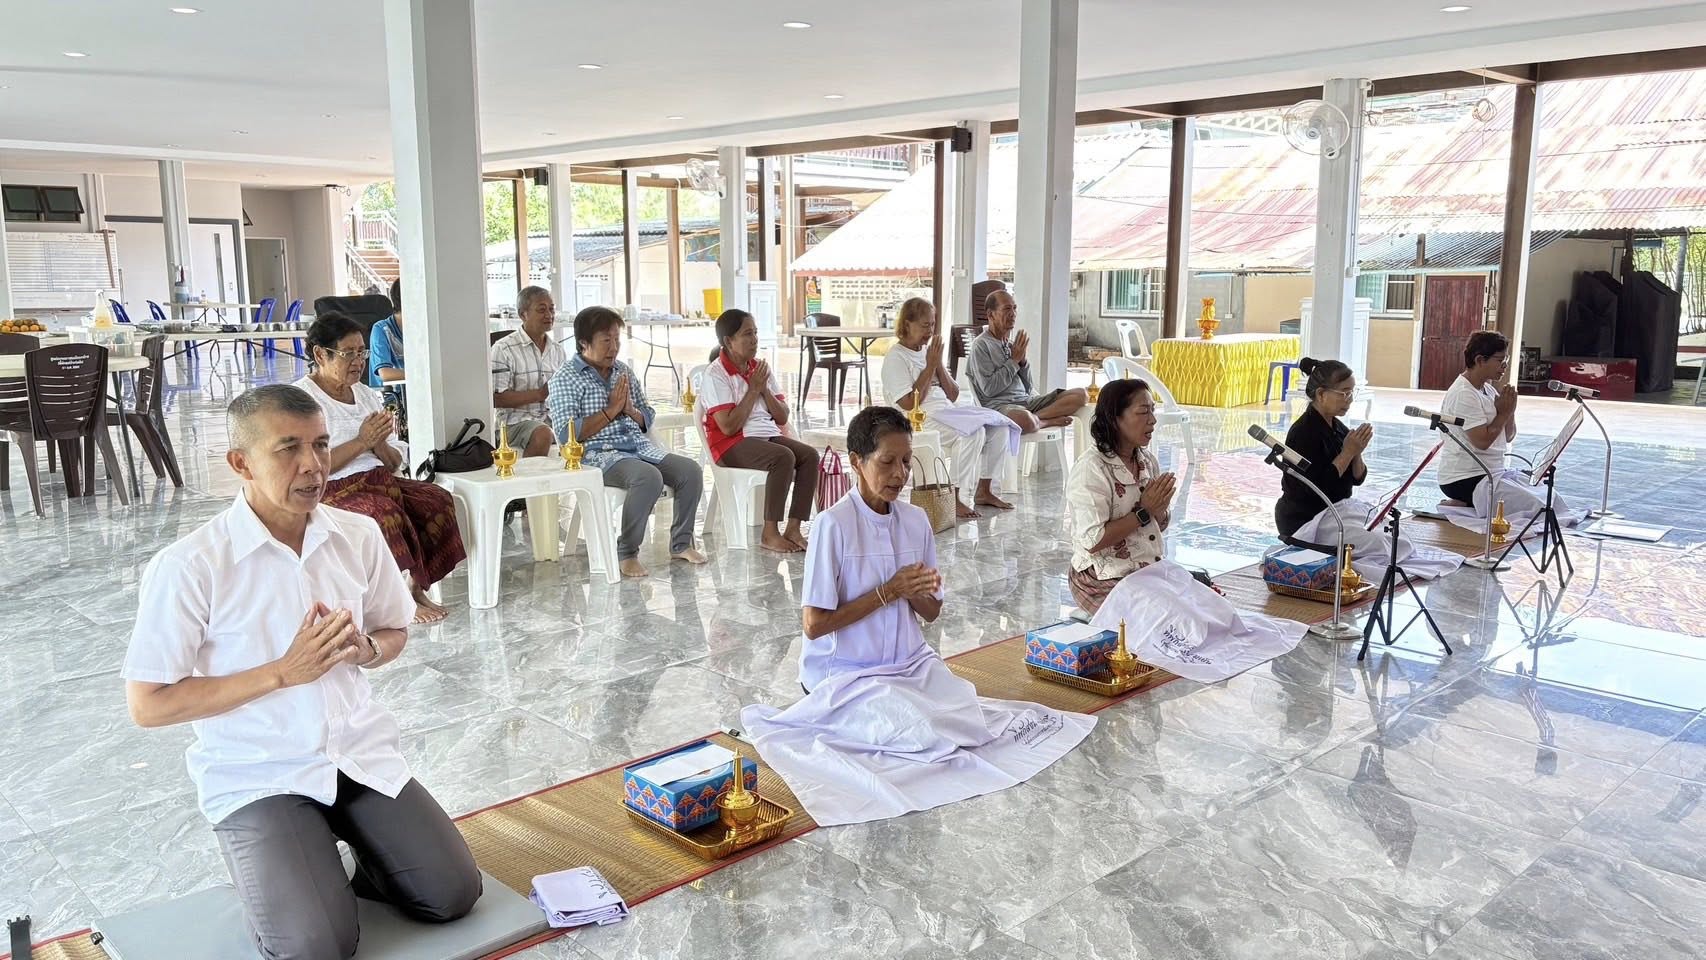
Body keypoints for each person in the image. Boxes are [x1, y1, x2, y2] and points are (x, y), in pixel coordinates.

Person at [122, 384, 481, 960]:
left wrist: (366, 650)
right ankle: (285, 873)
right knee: (315, 947)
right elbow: (148, 704)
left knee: (452, 895)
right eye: (288, 448)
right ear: (241, 463)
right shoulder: (190, 566)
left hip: (354, 753)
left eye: (319, 445)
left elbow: (394, 631)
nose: (312, 466)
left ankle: (338, 860)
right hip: (260, 771)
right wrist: (281, 673)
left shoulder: (357, 535)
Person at [739, 406, 1094, 826]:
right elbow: (814, 625)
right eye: (886, 462)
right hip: (849, 675)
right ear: (857, 462)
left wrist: (917, 591)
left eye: (906, 461)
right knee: (918, 731)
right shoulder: (834, 525)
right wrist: (889, 591)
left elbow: (932, 611)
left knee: (966, 717)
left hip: (910, 662)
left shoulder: (915, 521)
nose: (899, 473)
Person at [296, 312, 464, 624]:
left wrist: (380, 442)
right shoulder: (303, 400)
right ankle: (393, 598)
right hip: (334, 487)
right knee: (382, 512)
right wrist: (362, 441)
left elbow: (393, 460)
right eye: (349, 353)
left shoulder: (363, 393)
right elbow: (311, 464)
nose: (359, 361)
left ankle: (416, 588)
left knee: (435, 499)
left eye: (362, 352)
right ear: (320, 354)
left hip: (379, 477)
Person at [547, 305, 705, 578]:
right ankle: (627, 553)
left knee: (690, 471)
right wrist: (610, 411)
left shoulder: (623, 371)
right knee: (647, 478)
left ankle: (680, 544)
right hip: (599, 454)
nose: (614, 347)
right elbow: (566, 434)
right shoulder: (566, 378)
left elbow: (648, 415)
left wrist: (629, 410)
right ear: (584, 343)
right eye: (606, 340)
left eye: (617, 339)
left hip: (638, 447)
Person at [880, 297, 1018, 519]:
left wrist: (938, 365)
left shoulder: (928, 352)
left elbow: (953, 395)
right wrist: (930, 367)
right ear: (907, 324)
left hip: (947, 412)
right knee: (973, 433)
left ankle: (984, 490)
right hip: (918, 418)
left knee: (998, 426)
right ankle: (953, 497)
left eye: (933, 324)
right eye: (925, 325)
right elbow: (908, 402)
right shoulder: (896, 357)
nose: (930, 330)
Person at [700, 308, 820, 553]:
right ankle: (769, 532)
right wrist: (753, 390)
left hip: (766, 436)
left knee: (809, 456)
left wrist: (764, 389)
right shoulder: (715, 374)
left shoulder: (760, 368)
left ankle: (794, 528)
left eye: (755, 333)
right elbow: (729, 426)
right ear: (728, 341)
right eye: (747, 334)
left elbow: (782, 415)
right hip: (730, 444)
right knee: (782, 457)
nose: (754, 340)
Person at [1065, 378, 1177, 614]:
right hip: (1100, 579)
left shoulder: (1146, 461)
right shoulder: (1092, 468)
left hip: (1145, 571)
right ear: (1115, 418)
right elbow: (1092, 541)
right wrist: (1144, 512)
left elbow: (1157, 526)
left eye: (1153, 411)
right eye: (1143, 412)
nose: (1153, 420)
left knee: (1203, 608)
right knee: (1165, 620)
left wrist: (1158, 510)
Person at [1274, 357, 1371, 541]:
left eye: (1351, 393)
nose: (1349, 400)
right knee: (1376, 542)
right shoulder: (1303, 432)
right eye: (1343, 393)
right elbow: (1320, 488)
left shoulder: (1338, 427)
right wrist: (1347, 452)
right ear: (1321, 394)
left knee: (1384, 533)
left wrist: (1357, 451)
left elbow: (1358, 479)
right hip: (1307, 519)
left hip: (1334, 513)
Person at [967, 289, 1088, 431]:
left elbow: (1029, 388)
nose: (1013, 313)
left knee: (1081, 395)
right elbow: (989, 390)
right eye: (1007, 309)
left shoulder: (1011, 344)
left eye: (1014, 308)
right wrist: (1013, 361)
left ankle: (1036, 418)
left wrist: (1023, 362)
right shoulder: (981, 345)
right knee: (1023, 419)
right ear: (990, 314)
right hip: (1003, 407)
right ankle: (1044, 422)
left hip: (1028, 402)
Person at [1438, 330, 1517, 505]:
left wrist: (1509, 410)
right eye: (1500, 360)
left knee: (1537, 491)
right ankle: (1465, 501)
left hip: (1492, 472)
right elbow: (1482, 442)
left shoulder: (1487, 389)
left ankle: (1469, 504)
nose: (1504, 365)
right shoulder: (1464, 394)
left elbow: (1509, 435)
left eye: (1506, 359)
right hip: (1465, 477)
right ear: (1480, 360)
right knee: (1531, 503)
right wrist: (1503, 413)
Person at [491, 285, 566, 457]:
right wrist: (540, 393)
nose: (549, 315)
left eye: (552, 309)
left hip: (550, 420)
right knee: (542, 434)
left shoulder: (558, 350)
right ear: (522, 314)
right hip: (513, 423)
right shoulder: (503, 349)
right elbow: (496, 398)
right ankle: (526, 484)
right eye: (541, 310)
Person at [368, 279, 406, 390]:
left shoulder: (424, 328)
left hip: (422, 393)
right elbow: (385, 374)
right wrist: (426, 376)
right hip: (394, 399)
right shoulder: (381, 329)